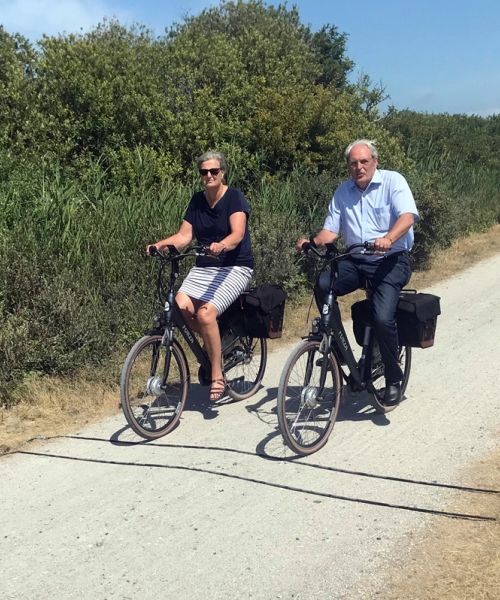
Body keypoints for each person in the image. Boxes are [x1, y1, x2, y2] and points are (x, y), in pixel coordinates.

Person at [297, 139, 419, 407]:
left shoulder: (392, 182)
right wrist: (311, 243)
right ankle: (337, 348)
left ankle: (393, 378)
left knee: (382, 316)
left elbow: (407, 217)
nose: (359, 167)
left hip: (391, 260)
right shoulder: (343, 192)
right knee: (323, 283)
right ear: (348, 167)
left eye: (364, 161)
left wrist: (388, 238)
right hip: (356, 261)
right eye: (353, 163)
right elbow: (331, 231)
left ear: (374, 162)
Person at [147, 151, 254, 401]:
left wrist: (222, 244)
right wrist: (159, 245)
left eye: (213, 171)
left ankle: (217, 373)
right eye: (204, 172)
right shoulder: (197, 201)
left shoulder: (234, 197)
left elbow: (237, 233)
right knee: (179, 310)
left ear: (222, 172)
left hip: (234, 266)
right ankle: (215, 339)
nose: (209, 176)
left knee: (206, 314)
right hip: (205, 267)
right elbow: (184, 237)